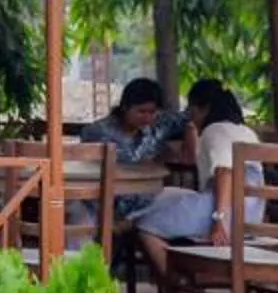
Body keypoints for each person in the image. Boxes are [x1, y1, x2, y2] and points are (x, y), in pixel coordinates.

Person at [129, 87, 262, 246]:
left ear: (205, 109)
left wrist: (219, 220)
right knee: (167, 195)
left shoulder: (214, 131)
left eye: (191, 111)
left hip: (227, 213)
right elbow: (192, 158)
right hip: (252, 214)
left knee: (146, 224)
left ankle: (173, 271)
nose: (190, 117)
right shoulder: (246, 132)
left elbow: (225, 172)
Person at [81, 77, 187, 222]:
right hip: (106, 204)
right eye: (141, 111)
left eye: (152, 112)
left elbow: (191, 117)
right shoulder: (98, 132)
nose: (147, 117)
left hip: (146, 205)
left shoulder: (159, 125)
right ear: (125, 107)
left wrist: (192, 131)